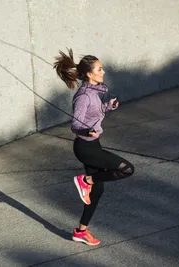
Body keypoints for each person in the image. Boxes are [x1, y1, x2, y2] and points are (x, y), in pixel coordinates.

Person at [54, 49, 135, 246]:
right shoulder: (83, 96)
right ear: (90, 73)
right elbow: (76, 124)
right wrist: (86, 132)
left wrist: (108, 107)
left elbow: (94, 115)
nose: (103, 71)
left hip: (92, 145)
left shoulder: (95, 92)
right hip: (85, 148)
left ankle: (81, 231)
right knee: (127, 169)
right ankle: (85, 180)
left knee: (97, 192)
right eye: (100, 69)